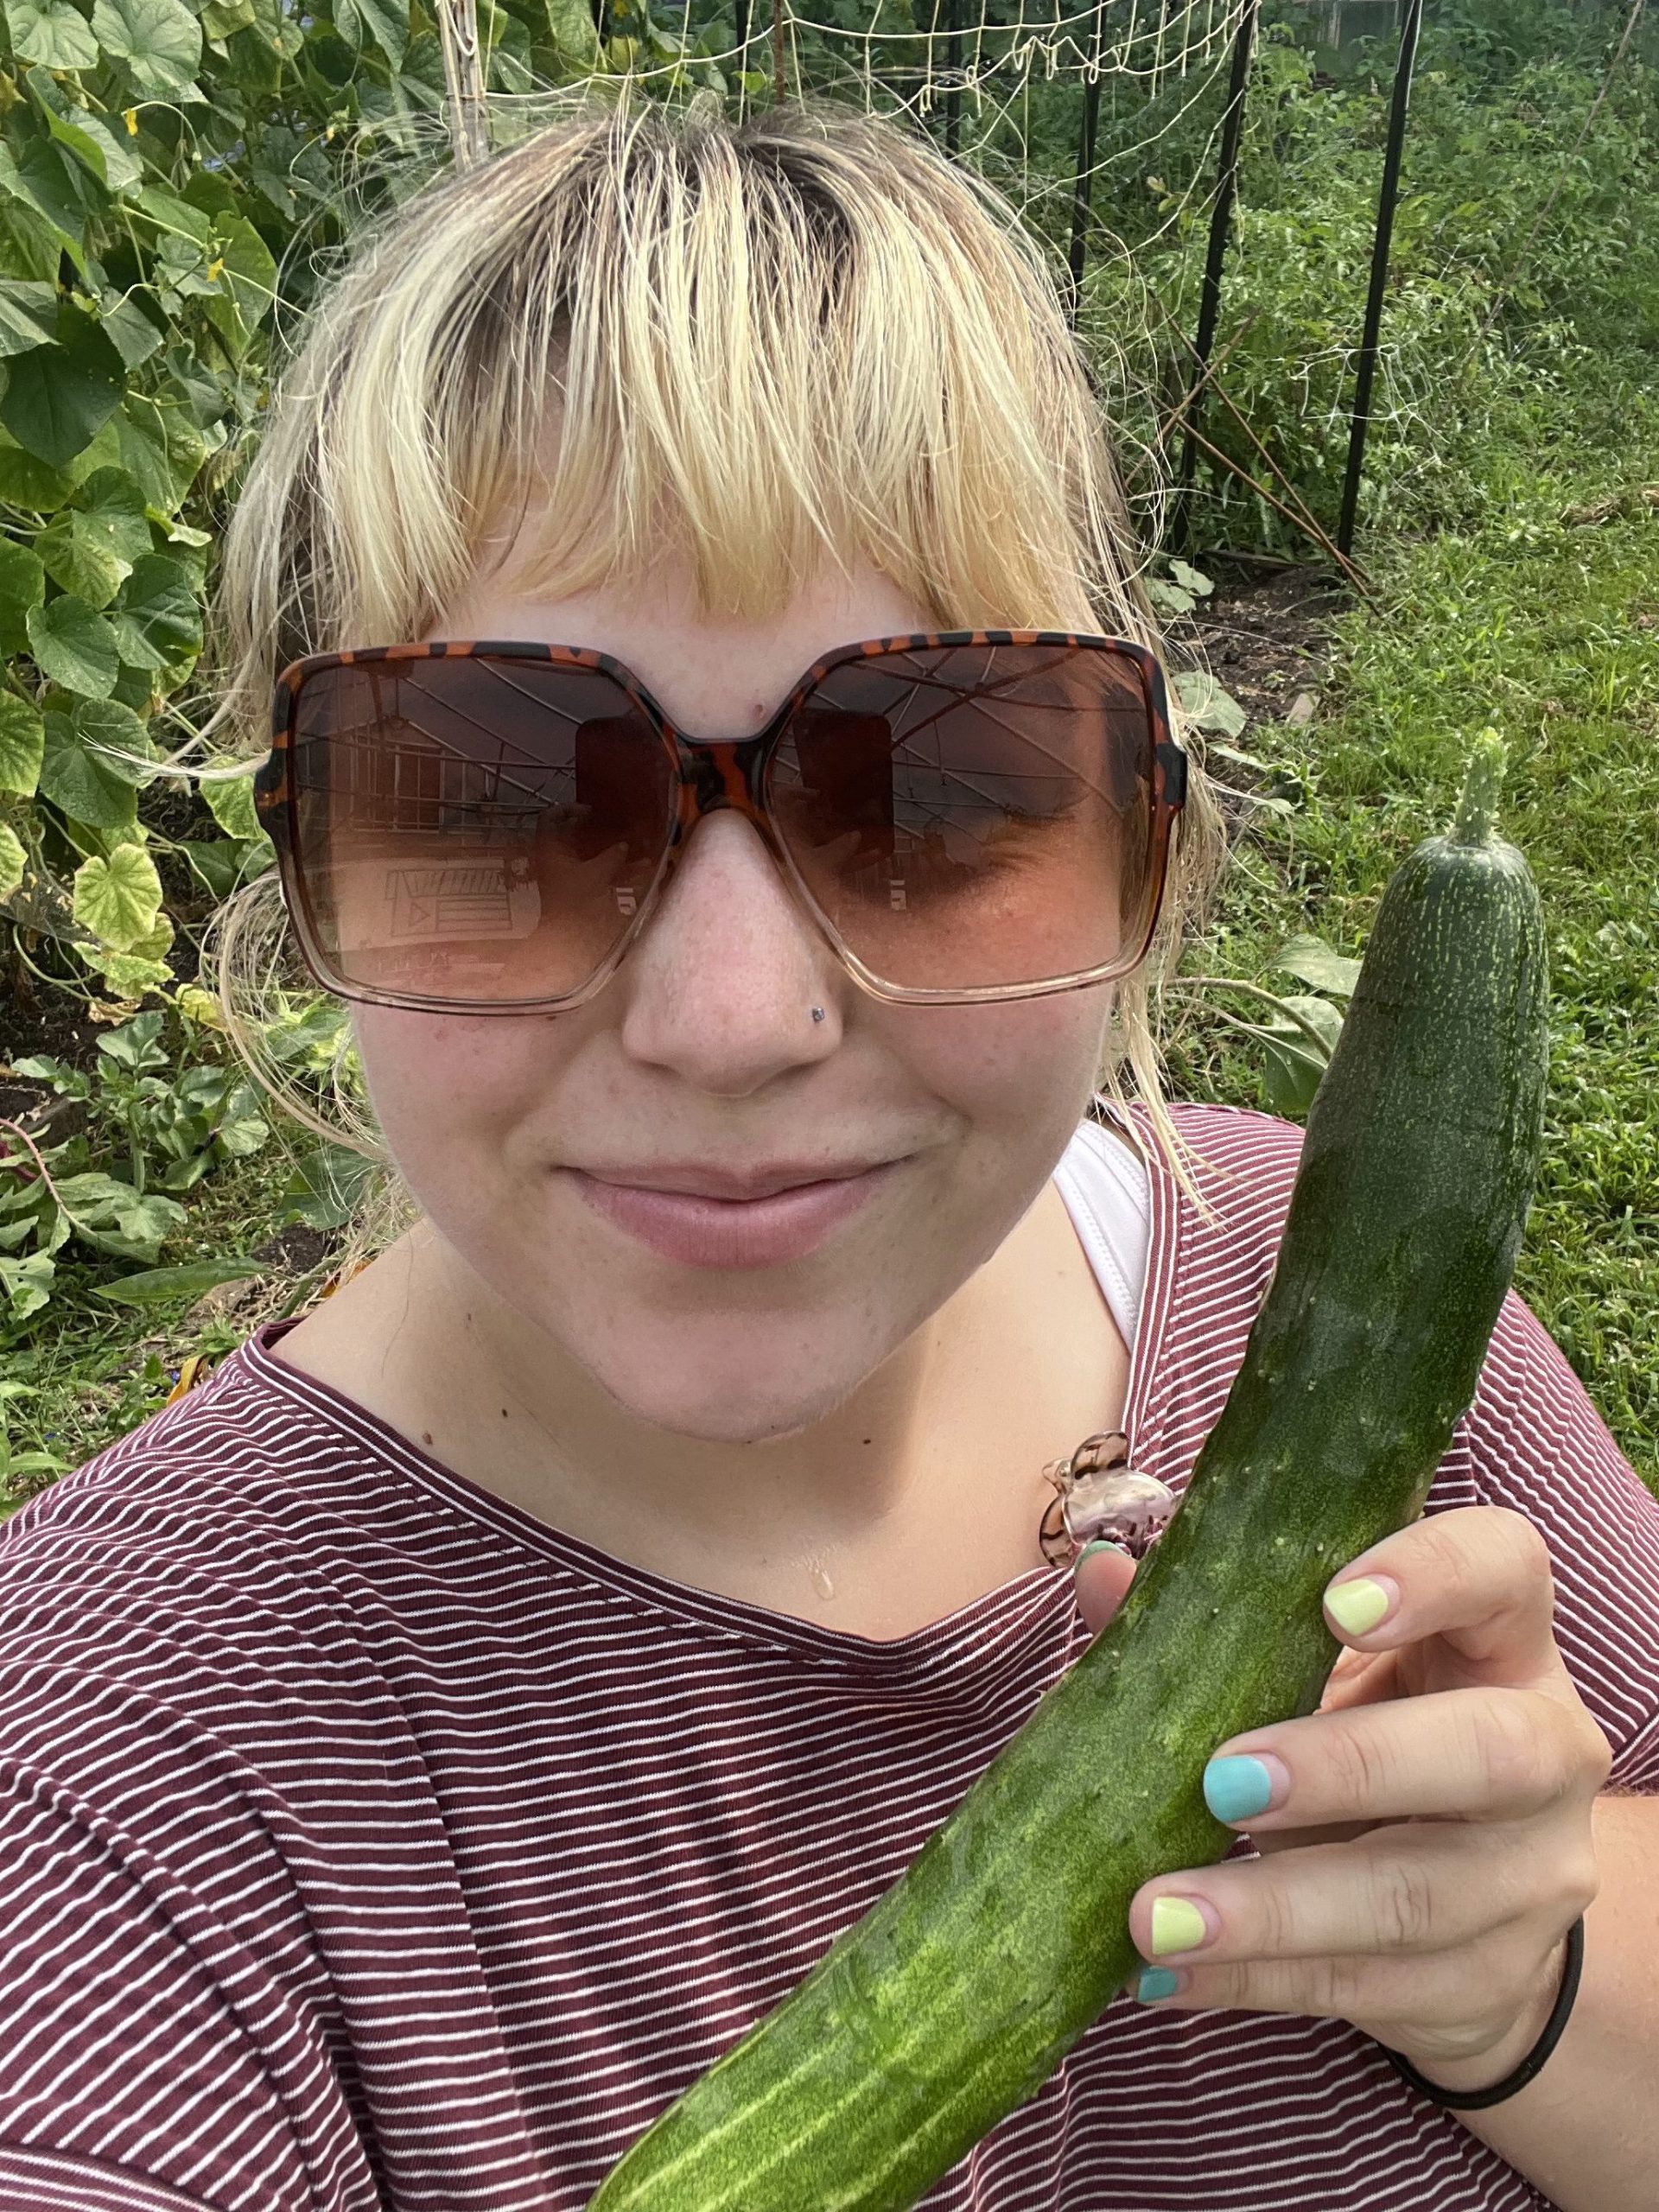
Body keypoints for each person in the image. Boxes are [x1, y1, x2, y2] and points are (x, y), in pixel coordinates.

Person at [0, 98, 1653, 2212]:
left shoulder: (1320, 1306)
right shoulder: (99, 1796)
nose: (733, 1018)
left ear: (1154, 842)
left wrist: (1520, 1978)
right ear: (305, 879)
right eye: (501, 799)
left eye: (939, 793)